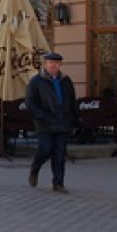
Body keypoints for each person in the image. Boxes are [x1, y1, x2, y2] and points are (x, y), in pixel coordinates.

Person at [26, 51, 79, 192]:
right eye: (51, 63)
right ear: (45, 64)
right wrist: (42, 116)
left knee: (60, 154)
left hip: (62, 122)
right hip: (45, 123)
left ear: (60, 65)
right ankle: (35, 168)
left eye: (56, 63)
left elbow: (72, 101)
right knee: (46, 148)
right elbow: (31, 103)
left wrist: (75, 120)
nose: (53, 66)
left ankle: (58, 183)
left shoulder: (66, 81)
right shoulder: (37, 81)